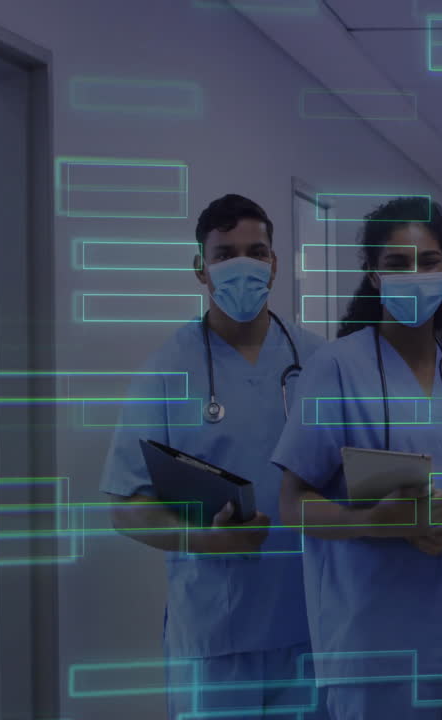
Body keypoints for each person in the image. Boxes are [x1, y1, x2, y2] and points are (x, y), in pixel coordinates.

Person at [270, 197, 442, 719]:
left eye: (427, 261)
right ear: (373, 276)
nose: (414, 275)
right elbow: (292, 504)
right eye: (396, 264)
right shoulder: (335, 368)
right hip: (374, 649)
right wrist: (373, 520)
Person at [101, 194, 327, 718]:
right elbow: (125, 503)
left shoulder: (319, 363)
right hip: (215, 635)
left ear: (275, 263)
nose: (242, 265)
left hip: (311, 626)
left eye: (256, 250)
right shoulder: (165, 371)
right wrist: (206, 537)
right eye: (225, 253)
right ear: (200, 269)